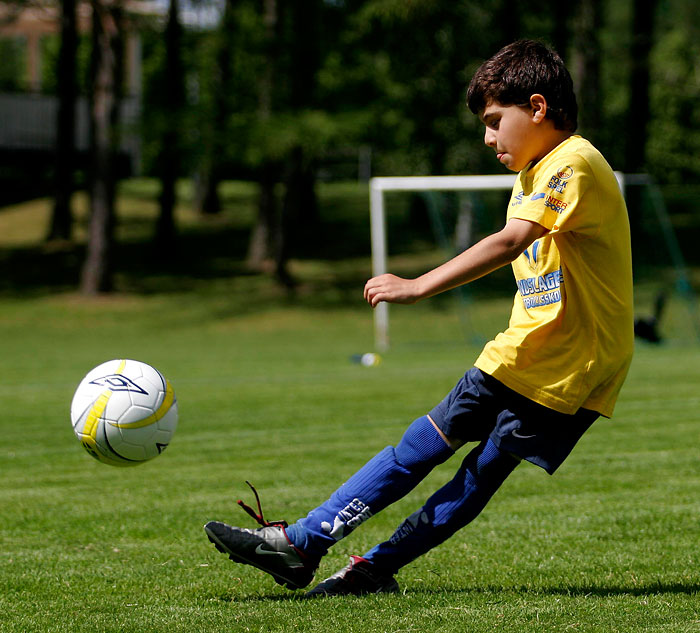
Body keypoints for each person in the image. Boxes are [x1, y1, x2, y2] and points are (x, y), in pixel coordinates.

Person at [204, 39, 634, 597]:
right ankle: (337, 557)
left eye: (493, 121)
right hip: (542, 353)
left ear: (537, 107)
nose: (487, 137)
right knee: (446, 456)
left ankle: (330, 554)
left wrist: (417, 285)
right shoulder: (534, 172)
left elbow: (510, 242)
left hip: (564, 359)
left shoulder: (572, 162)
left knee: (455, 462)